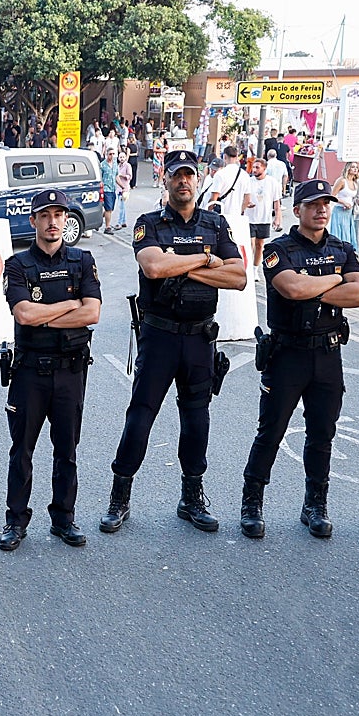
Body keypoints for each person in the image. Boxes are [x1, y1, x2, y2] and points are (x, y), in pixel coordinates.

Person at [101, 150, 246, 535]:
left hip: (200, 338)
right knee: (140, 417)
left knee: (197, 421)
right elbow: (153, 267)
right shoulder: (149, 223)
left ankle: (191, 498)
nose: (183, 181)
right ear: (164, 179)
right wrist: (206, 259)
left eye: (189, 175)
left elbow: (238, 277)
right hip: (159, 337)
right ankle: (119, 498)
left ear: (198, 179)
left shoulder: (216, 224)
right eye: (176, 175)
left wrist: (181, 264)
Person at [240, 180, 359, 540]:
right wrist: (336, 279)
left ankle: (315, 505)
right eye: (313, 204)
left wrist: (314, 285)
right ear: (297, 210)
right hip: (288, 354)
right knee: (271, 431)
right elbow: (292, 288)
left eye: (326, 203)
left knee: (322, 433)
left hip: (328, 354)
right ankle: (252, 504)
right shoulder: (279, 249)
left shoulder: (342, 247)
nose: (321, 210)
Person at [0, 189, 102, 551]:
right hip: (30, 371)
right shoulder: (17, 264)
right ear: (33, 221)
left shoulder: (81, 260)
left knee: (67, 450)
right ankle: (15, 521)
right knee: (22, 451)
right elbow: (24, 314)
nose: (53, 222)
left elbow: (92, 312)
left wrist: (46, 316)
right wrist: (70, 305)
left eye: (58, 215)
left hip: (70, 370)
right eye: (45, 215)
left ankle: (64, 518)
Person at [242, 158, 283, 277]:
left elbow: (277, 203)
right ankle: (248, 268)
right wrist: (246, 204)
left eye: (257, 167)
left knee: (260, 245)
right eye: (253, 167)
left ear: (264, 168)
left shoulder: (272, 182)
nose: (254, 170)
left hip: (264, 218)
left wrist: (277, 218)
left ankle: (255, 269)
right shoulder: (249, 181)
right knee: (250, 244)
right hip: (249, 218)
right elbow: (244, 198)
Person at [207, 145, 248, 216]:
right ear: (237, 157)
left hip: (221, 215)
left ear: (224, 156)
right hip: (236, 216)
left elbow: (213, 199)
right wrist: (239, 211)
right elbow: (247, 199)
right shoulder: (245, 175)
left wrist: (208, 213)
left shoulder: (220, 174)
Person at [329, 163, 359, 248]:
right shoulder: (342, 181)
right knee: (339, 233)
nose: (355, 169)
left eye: (356, 167)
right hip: (339, 211)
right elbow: (332, 196)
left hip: (349, 212)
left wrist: (357, 201)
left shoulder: (355, 183)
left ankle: (347, 250)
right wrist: (343, 203)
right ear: (348, 168)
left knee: (348, 233)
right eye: (353, 167)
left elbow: (351, 197)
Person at [101, 147, 119, 234]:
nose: (112, 156)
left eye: (113, 154)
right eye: (110, 154)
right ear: (107, 155)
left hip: (113, 188)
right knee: (108, 208)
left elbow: (116, 176)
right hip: (106, 189)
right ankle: (107, 227)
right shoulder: (102, 165)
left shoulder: (115, 164)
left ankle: (98, 218)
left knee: (111, 209)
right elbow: (100, 178)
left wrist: (123, 187)